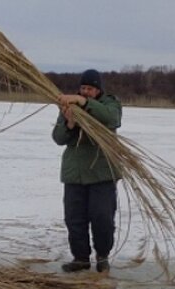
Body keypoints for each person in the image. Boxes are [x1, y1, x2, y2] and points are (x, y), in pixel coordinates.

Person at [52, 69, 122, 273]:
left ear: (98, 89)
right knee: (74, 218)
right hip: (75, 173)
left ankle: (102, 257)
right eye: (83, 88)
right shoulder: (68, 106)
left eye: (90, 89)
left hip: (102, 172)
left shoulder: (110, 103)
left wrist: (84, 104)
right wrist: (69, 123)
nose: (85, 92)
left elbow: (111, 118)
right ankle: (80, 258)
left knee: (102, 217)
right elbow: (58, 138)